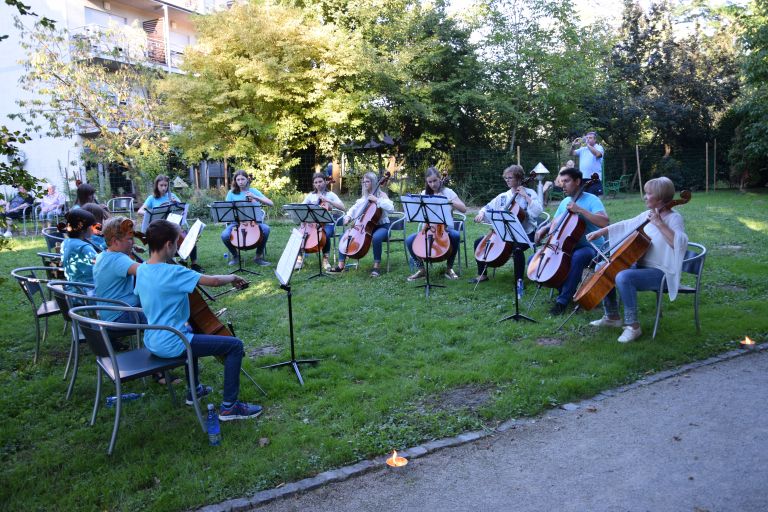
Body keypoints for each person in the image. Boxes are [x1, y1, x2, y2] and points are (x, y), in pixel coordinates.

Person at [134, 219, 263, 420]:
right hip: (174, 341)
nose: (178, 247)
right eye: (177, 243)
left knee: (190, 330)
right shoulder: (174, 271)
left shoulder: (141, 269)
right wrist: (231, 277)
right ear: (169, 245)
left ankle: (193, 391)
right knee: (235, 346)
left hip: (153, 340)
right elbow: (212, 281)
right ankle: (230, 407)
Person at [586, 177, 688, 343]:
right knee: (603, 268)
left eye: (649, 194)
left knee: (624, 277)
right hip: (642, 267)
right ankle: (612, 316)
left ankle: (633, 326)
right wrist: (600, 232)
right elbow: (626, 224)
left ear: (661, 198)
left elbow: (679, 243)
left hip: (662, 271)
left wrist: (660, 224)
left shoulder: (674, 218)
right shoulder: (648, 214)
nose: (645, 197)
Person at [534, 167, 609, 315]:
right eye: (561, 181)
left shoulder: (592, 199)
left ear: (577, 181)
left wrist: (580, 210)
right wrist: (544, 229)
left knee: (578, 257)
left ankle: (562, 301)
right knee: (535, 260)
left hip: (591, 247)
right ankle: (568, 291)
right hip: (565, 247)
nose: (562, 185)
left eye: (566, 181)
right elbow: (556, 222)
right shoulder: (565, 201)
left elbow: (605, 222)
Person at [470, 164, 542, 284]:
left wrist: (525, 196)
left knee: (517, 248)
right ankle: (482, 275)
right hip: (504, 233)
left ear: (519, 179)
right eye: (506, 178)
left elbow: (538, 211)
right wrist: (482, 213)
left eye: (510, 178)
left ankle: (519, 280)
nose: (507, 180)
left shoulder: (530, 193)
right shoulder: (503, 196)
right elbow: (488, 207)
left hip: (525, 232)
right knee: (479, 242)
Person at [406, 166, 467, 281]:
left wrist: (450, 201)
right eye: (430, 182)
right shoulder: (424, 193)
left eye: (435, 181)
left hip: (446, 229)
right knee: (409, 240)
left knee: (456, 235)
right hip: (428, 229)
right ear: (426, 182)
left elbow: (464, 209)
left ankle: (449, 268)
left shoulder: (448, 192)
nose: (433, 184)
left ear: (440, 179)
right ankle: (422, 270)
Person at [329, 171, 395, 278]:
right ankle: (341, 266)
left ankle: (376, 267)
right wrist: (348, 217)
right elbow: (353, 208)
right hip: (365, 227)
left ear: (374, 182)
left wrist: (377, 200)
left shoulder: (382, 195)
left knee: (376, 238)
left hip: (382, 227)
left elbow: (391, 208)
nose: (365, 184)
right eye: (364, 182)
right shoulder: (364, 198)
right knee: (344, 236)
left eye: (367, 181)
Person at [138, 174, 203, 272]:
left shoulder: (172, 196)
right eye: (161, 185)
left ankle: (194, 264)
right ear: (157, 186)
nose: (164, 188)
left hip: (173, 225)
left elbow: (183, 209)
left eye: (166, 185)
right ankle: (169, 260)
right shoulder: (152, 198)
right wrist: (152, 212)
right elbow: (140, 211)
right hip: (159, 228)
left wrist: (176, 203)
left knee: (189, 238)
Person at [221, 170, 274, 267]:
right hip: (236, 223)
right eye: (238, 180)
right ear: (235, 181)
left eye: (242, 179)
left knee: (266, 229)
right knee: (224, 235)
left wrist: (255, 197)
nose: (240, 182)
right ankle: (235, 256)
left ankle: (258, 257)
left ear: (247, 179)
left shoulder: (253, 191)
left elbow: (271, 203)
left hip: (253, 222)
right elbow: (227, 209)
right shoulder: (231, 193)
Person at [296, 172, 345, 271]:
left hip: (327, 224)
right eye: (316, 182)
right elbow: (301, 207)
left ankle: (325, 259)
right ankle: (299, 259)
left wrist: (328, 201)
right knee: (300, 234)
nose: (318, 184)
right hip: (312, 223)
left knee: (325, 235)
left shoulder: (330, 194)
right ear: (314, 184)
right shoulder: (311, 195)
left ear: (325, 182)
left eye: (320, 181)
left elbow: (343, 207)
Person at [61, 209, 99, 286]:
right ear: (83, 229)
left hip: (72, 289)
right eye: (92, 226)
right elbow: (100, 267)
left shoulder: (65, 243)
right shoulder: (84, 248)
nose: (93, 229)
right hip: (88, 290)